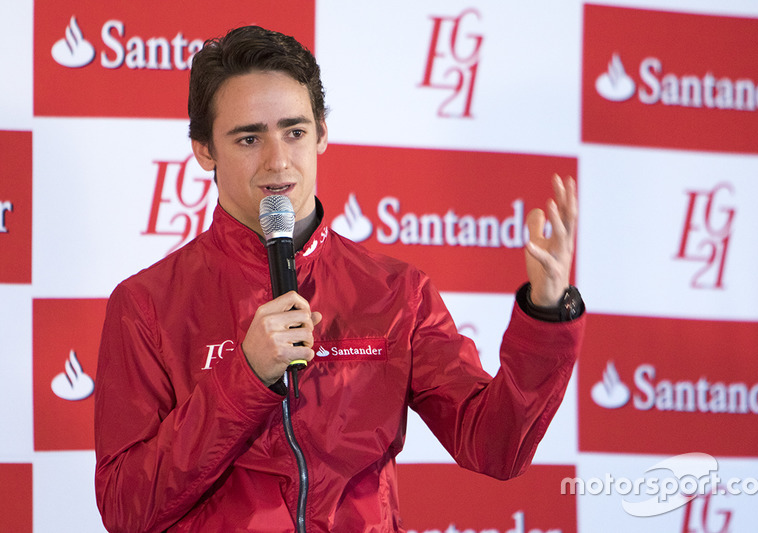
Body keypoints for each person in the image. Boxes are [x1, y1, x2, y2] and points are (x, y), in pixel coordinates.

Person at [94, 25, 585, 533]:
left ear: (322, 134)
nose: (278, 160)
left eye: (295, 131)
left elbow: (495, 447)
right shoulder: (146, 304)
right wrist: (245, 377)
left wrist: (546, 316)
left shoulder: (396, 292)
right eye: (248, 138)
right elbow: (125, 508)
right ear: (204, 151)